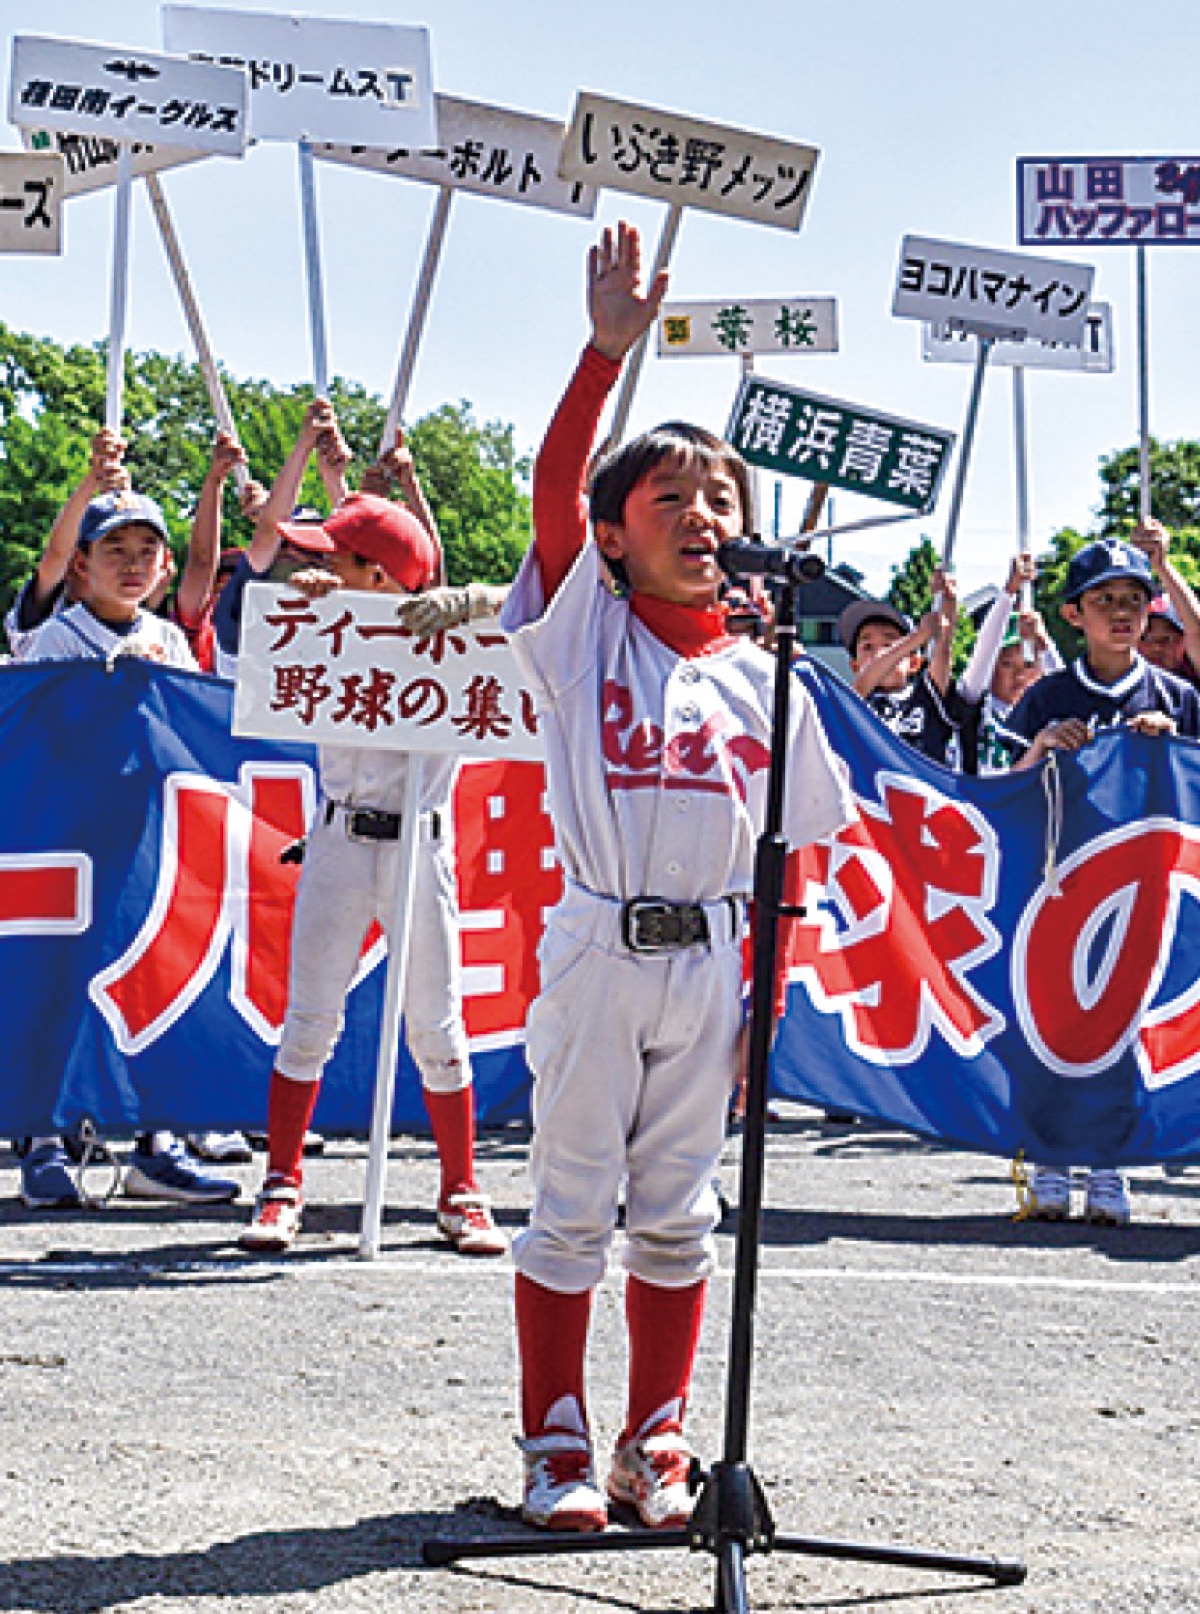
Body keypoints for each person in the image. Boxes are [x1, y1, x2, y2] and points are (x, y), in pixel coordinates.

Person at [499, 222, 855, 1533]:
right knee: (569, 1206)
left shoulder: (769, 673)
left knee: (679, 1215)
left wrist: (772, 1002)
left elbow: (795, 855)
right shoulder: (581, 626)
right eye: (670, 500)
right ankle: (554, 1443)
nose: (703, 517)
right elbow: (555, 483)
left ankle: (657, 1440)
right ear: (613, 535)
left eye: (722, 502)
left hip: (714, 961)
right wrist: (604, 356)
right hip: (600, 946)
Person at [238, 405, 507, 1258]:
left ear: (382, 575)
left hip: (420, 840)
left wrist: (475, 600)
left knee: (437, 1023)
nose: (320, 568)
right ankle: (281, 1183)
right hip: (338, 838)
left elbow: (551, 608)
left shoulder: (457, 632)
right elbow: (266, 591)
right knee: (309, 1017)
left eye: (339, 560)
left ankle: (461, 1188)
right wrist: (314, 596)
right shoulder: (323, 622)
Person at [19, 489, 242, 1208]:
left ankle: (158, 1144)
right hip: (66, 844)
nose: (132, 563)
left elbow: (193, 734)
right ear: (82, 563)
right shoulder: (56, 639)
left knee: (152, 989)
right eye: (114, 549)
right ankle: (43, 1143)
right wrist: (112, 687)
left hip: (148, 841)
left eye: (147, 550)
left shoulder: (169, 639)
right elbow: (40, 739)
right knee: (59, 992)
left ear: (165, 564)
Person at [999, 537, 1200, 1226]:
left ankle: (1109, 1166)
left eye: (1133, 601)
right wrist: (1041, 746)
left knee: (1127, 1022)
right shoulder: (1046, 697)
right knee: (1052, 1026)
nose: (1120, 613)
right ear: (1072, 614)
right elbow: (1000, 793)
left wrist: (1171, 747)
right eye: (1104, 600)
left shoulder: (1174, 696)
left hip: (1143, 888)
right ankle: (1050, 1159)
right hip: (1057, 882)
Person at [4, 428, 129, 657]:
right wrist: (94, 477)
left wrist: (124, 500)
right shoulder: (45, 620)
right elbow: (57, 553)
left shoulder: (149, 631)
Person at [837, 568, 967, 767]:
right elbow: (865, 681)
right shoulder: (856, 703)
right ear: (855, 666)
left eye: (889, 644)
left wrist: (948, 600)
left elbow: (943, 644)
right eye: (868, 647)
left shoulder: (927, 696)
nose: (879, 654)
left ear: (914, 662)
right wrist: (916, 638)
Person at [957, 553, 1062, 775]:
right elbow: (984, 652)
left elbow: (1068, 692)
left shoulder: (1045, 715)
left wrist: (1043, 641)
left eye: (1028, 664)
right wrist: (1009, 592)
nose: (1019, 675)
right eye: (1007, 664)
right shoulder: (977, 708)